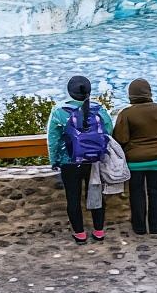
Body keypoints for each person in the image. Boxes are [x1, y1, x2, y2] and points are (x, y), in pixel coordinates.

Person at [47, 75, 113, 245]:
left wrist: (54, 160)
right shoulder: (100, 109)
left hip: (69, 161)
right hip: (94, 161)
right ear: (89, 91)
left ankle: (80, 234)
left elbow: (53, 139)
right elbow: (109, 133)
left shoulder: (59, 111)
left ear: (70, 92)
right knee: (95, 195)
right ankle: (99, 231)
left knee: (73, 198)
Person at [112, 78, 157, 235]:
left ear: (131, 95)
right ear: (149, 92)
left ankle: (139, 228)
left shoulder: (127, 113)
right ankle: (156, 227)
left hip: (135, 161)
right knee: (156, 192)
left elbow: (121, 138)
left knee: (137, 193)